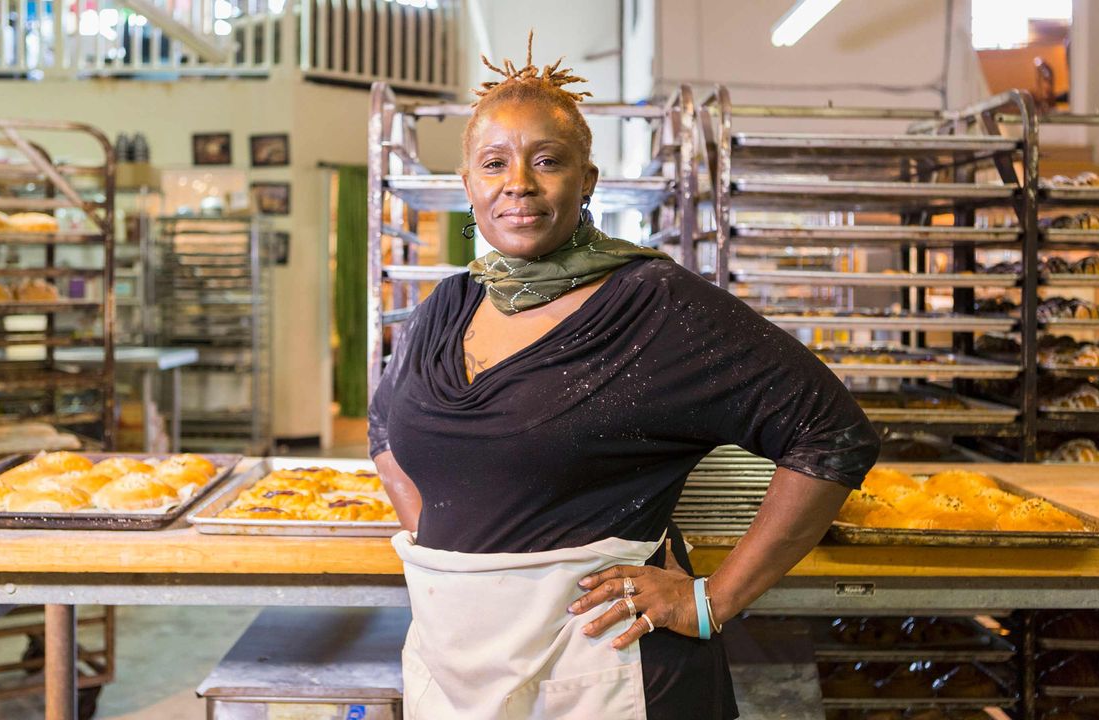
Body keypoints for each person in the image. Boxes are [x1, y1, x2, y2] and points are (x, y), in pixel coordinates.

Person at [368, 34, 880, 720]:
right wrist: (457, 561)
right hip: (457, 660)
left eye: (547, 161)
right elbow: (385, 428)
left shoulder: (655, 306)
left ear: (587, 181)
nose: (518, 182)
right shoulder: (446, 307)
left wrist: (712, 598)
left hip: (609, 667)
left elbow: (832, 435)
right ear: (468, 186)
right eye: (495, 164)